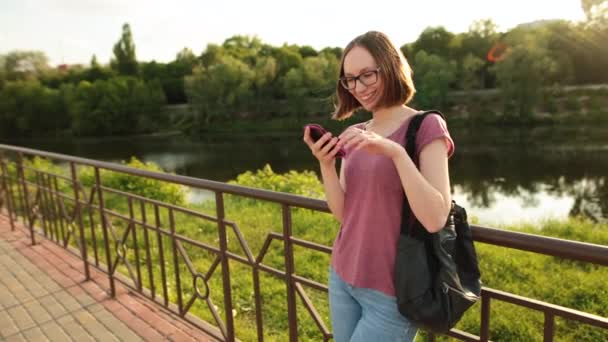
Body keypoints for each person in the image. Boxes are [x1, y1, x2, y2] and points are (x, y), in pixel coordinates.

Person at [303, 31, 455, 341]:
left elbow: (437, 217)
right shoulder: (355, 131)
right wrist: (326, 165)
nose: (359, 87)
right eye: (350, 80)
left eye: (367, 75)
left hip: (393, 292)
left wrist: (395, 152)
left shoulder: (426, 126)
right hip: (343, 276)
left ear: (391, 66)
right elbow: (345, 213)